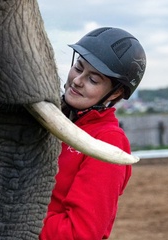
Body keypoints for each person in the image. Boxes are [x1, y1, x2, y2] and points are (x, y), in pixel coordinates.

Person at [39, 27, 146, 239]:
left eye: (93, 80)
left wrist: (18, 214)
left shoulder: (109, 141)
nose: (78, 80)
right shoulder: (55, 118)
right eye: (78, 68)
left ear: (115, 93)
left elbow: (79, 233)